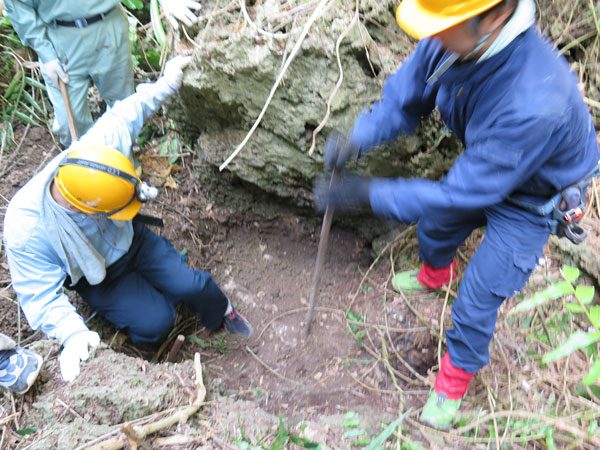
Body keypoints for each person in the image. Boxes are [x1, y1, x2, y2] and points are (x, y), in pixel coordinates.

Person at [314, 0, 600, 430]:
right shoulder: (452, 38)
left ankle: (451, 383)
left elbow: (455, 195)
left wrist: (368, 194)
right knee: (434, 229)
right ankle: (435, 276)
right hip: (487, 166)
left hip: (532, 200)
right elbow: (404, 101)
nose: (431, 35)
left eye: (443, 25)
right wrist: (359, 138)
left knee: (480, 295)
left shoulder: (535, 99)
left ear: (497, 16)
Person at [3, 55, 252, 385]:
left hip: (131, 240)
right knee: (157, 322)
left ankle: (218, 311)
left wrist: (165, 85)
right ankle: (156, 309)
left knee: (195, 284)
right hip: (97, 276)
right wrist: (72, 333)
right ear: (87, 211)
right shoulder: (26, 229)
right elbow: (40, 296)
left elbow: (125, 115)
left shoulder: (93, 154)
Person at [4, 0, 202, 147]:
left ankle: (121, 162)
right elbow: (19, 8)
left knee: (122, 103)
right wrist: (45, 54)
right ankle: (84, 172)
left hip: (108, 25)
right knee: (68, 122)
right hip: (59, 39)